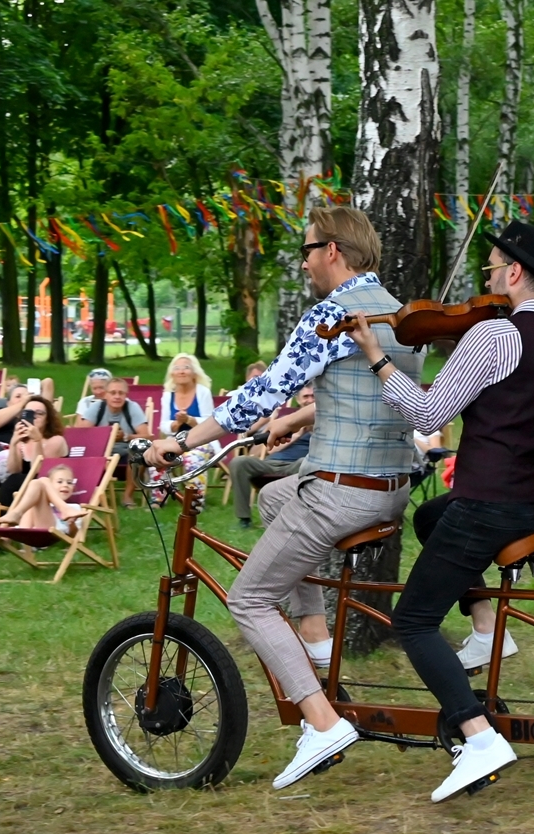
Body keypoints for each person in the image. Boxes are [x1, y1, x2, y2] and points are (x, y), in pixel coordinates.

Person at [145, 204, 424, 791]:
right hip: (391, 487)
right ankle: (316, 640)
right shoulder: (400, 312)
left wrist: (179, 441)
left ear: (332, 251)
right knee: (274, 498)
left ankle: (322, 725)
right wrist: (298, 417)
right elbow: (375, 394)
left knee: (249, 599)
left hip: (344, 491)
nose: (303, 263)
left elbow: (261, 392)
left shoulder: (332, 314)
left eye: (306, 250)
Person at [350, 220, 534, 801]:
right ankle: (487, 632)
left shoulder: (494, 336)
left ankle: (479, 739)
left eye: (491, 268)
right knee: (432, 518)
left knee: (413, 622)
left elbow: (429, 415)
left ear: (514, 272)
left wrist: (378, 358)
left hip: (491, 502)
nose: (486, 279)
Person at [228, 385, 315, 528]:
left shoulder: (324, 424)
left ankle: (294, 518)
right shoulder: (285, 421)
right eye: (306, 396)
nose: (309, 400)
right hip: (271, 463)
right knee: (239, 462)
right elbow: (259, 451)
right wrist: (296, 433)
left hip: (298, 465)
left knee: (304, 462)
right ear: (298, 400)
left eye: (313, 396)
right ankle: (244, 519)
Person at [0, 395, 68, 507]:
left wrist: (37, 441)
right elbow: (14, 470)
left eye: (39, 413)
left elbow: (39, 471)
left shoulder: (56, 441)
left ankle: (5, 514)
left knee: (17, 480)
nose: (34, 416)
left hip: (49, 488)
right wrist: (13, 443)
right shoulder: (21, 442)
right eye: (29, 413)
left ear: (47, 419)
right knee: (14, 479)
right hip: (22, 489)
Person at [0, 463, 83, 533]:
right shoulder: (44, 503)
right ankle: (65, 509)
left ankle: (16, 514)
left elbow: (74, 535)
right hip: (27, 530)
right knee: (36, 483)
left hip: (49, 534)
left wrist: (72, 524)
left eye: (69, 482)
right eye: (60, 482)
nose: (65, 485)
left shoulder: (75, 508)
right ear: (50, 486)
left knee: (41, 481)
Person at [79, 377, 152, 446]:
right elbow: (81, 434)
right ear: (105, 395)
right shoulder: (97, 407)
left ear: (126, 395)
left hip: (126, 449)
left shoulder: (132, 407)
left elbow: (147, 438)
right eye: (113, 393)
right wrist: (104, 435)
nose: (117, 397)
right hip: (99, 448)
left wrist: (126, 436)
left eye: (121, 393)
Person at [159, 354, 216, 435]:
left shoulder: (203, 392)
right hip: (175, 440)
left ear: (194, 373)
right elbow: (163, 425)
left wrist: (188, 420)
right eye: (177, 368)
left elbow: (210, 423)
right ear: (172, 374)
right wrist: (178, 423)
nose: (181, 372)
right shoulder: (168, 395)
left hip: (202, 439)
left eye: (186, 367)